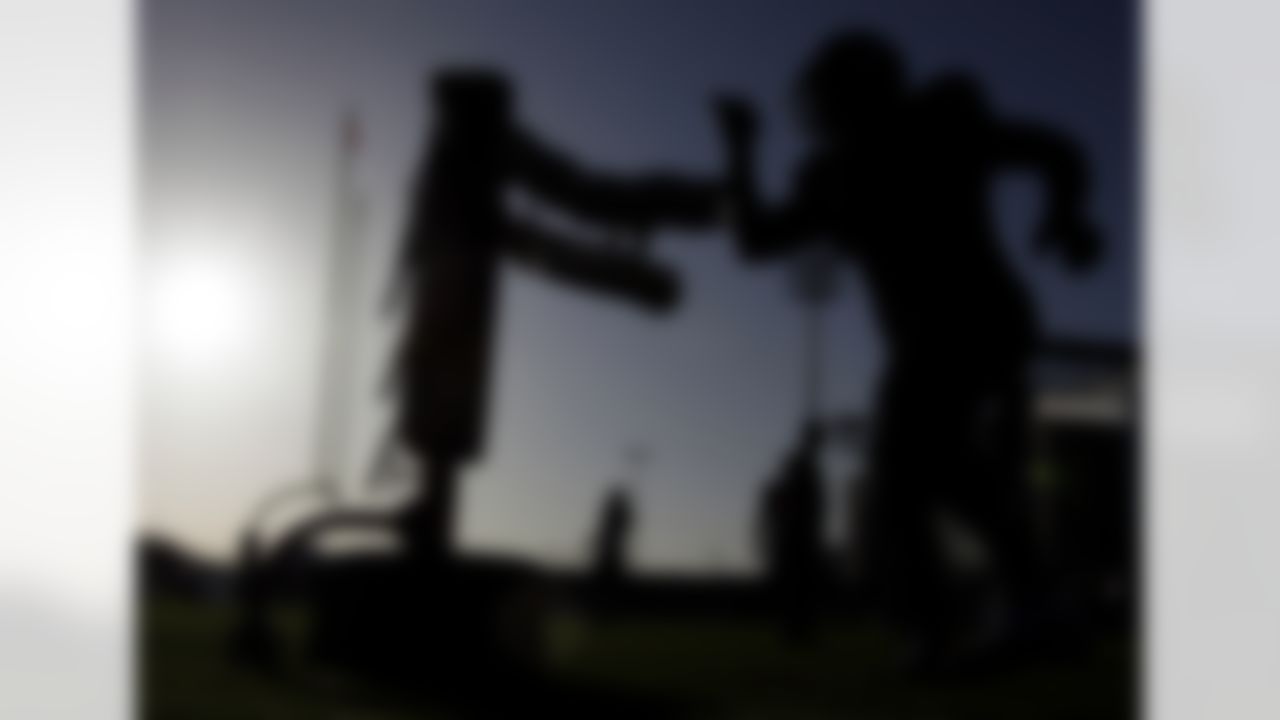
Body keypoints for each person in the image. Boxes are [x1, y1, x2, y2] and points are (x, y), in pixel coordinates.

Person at [718, 31, 1102, 670]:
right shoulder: (872, 158)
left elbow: (754, 239)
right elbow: (1057, 152)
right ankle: (1026, 602)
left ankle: (950, 624)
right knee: (945, 475)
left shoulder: (924, 130)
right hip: (980, 327)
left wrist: (739, 150)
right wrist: (1068, 216)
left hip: (961, 326)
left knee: (903, 475)